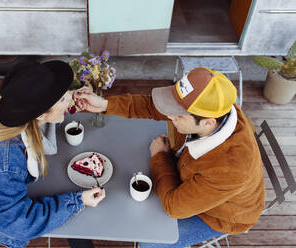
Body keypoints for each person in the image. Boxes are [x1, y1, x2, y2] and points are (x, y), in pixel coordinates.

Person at [74, 67, 265, 248]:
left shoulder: (232, 169)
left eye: (177, 116)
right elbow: (153, 106)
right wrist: (105, 105)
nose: (169, 116)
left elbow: (174, 207)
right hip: (188, 176)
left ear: (207, 123)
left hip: (218, 216)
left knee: (149, 241)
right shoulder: (214, 105)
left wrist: (160, 157)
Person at [0, 61, 106, 248]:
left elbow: (46, 120)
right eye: (62, 99)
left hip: (9, 194)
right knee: (79, 218)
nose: (69, 98)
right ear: (41, 114)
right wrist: (78, 201)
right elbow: (19, 224)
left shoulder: (18, 116)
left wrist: (70, 106)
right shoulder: (5, 164)